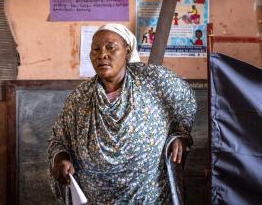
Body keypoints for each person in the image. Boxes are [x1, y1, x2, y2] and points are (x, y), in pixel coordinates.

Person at [48, 24, 197, 204]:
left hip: (148, 195)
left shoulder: (153, 80)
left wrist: (179, 134)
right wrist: (60, 160)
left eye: (111, 47)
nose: (102, 54)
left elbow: (186, 99)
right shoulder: (80, 97)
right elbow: (59, 139)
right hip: (95, 198)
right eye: (96, 49)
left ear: (127, 51)